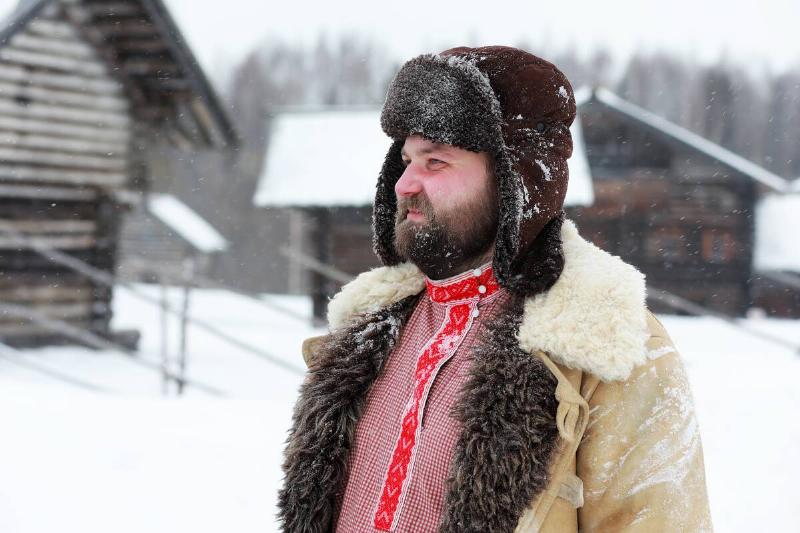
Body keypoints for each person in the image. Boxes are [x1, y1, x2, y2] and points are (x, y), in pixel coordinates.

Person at [277, 45, 713, 533]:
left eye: (436, 161)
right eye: (406, 160)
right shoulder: (370, 331)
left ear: (514, 180)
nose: (404, 183)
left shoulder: (610, 346)